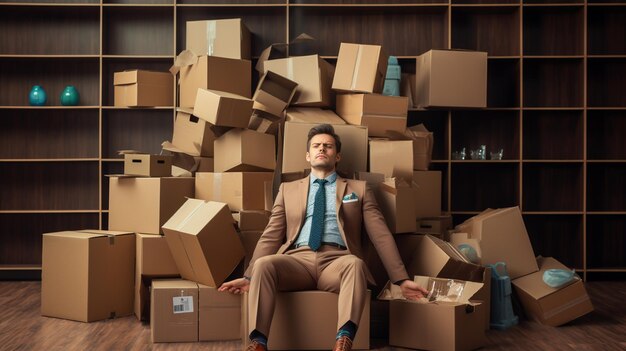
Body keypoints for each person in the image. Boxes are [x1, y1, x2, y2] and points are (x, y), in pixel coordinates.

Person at [219, 124, 427, 351]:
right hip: (297, 260)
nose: (322, 149)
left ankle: (344, 339)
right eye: (316, 146)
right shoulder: (288, 190)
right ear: (308, 155)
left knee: (355, 264)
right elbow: (271, 235)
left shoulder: (358, 189)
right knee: (264, 264)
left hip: (337, 261)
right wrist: (250, 276)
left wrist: (401, 279)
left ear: (336, 156)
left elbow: (381, 235)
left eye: (328, 146)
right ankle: (258, 342)